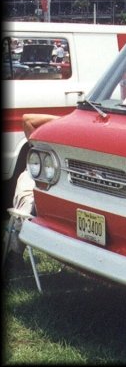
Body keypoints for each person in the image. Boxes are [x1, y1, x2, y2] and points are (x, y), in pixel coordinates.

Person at [3, 113, 60, 270]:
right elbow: (27, 119)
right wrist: (65, 121)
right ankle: (14, 254)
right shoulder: (47, 138)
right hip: (34, 177)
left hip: (61, 184)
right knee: (26, 208)